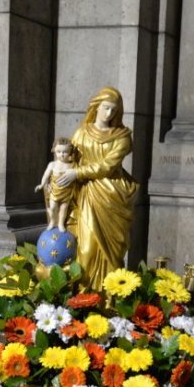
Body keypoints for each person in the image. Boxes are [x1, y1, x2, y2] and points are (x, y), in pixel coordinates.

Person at [54, 87, 139, 290]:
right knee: (86, 249)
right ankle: (84, 299)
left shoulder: (122, 136)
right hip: (86, 195)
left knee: (113, 253)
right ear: (96, 106)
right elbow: (69, 161)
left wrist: (77, 174)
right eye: (106, 108)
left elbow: (109, 165)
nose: (109, 114)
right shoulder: (82, 133)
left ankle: (110, 299)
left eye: (114, 110)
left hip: (111, 196)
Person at [35, 138, 80, 232]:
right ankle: (52, 221)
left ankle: (60, 224)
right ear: (54, 151)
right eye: (59, 152)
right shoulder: (52, 164)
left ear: (70, 152)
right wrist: (42, 184)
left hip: (66, 192)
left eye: (65, 152)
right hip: (54, 191)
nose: (62, 155)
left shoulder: (72, 165)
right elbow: (45, 175)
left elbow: (77, 178)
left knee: (64, 209)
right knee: (52, 207)